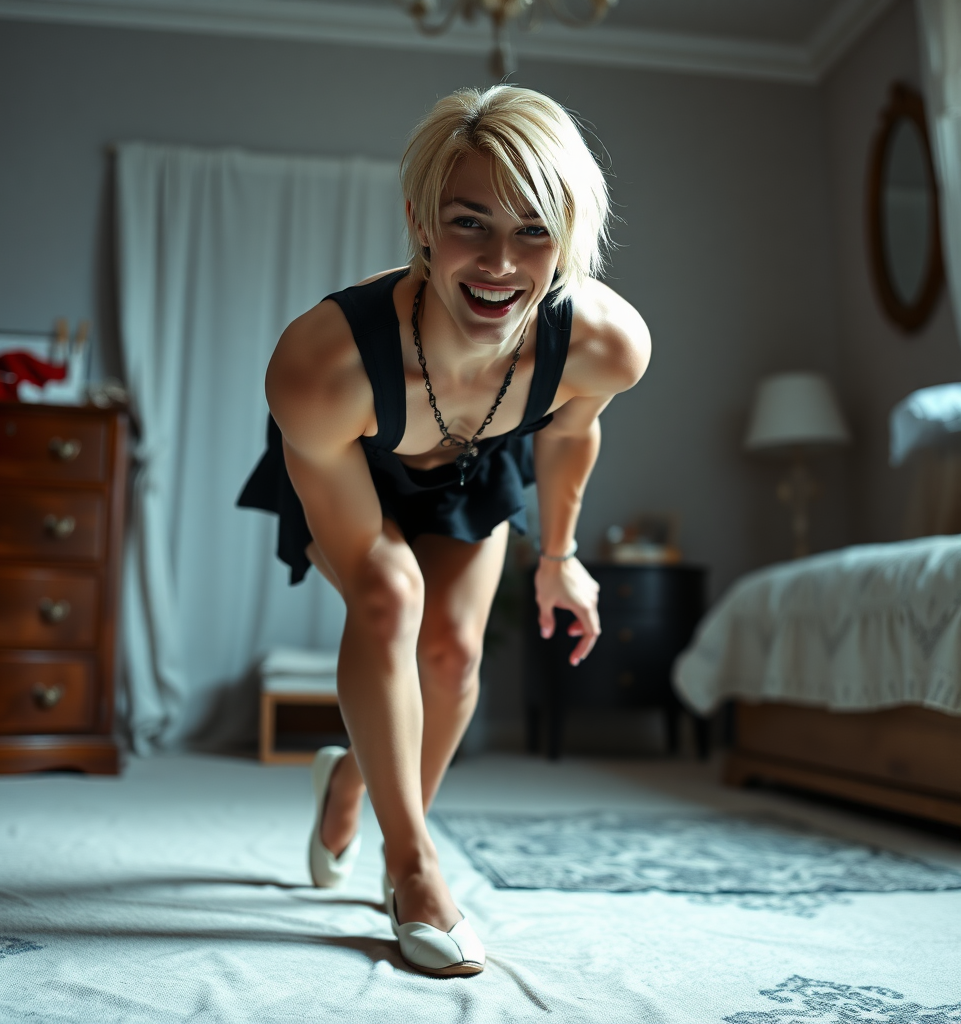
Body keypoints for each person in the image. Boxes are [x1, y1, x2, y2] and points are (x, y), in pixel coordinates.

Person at [237, 84, 650, 976]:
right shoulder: (321, 367)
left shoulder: (605, 344)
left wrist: (562, 557)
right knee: (391, 599)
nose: (502, 263)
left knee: (456, 655)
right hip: (354, 465)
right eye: (472, 224)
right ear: (422, 221)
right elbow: (366, 559)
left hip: (475, 466)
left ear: (569, 237)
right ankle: (414, 868)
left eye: (534, 230)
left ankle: (353, 779)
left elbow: (573, 431)